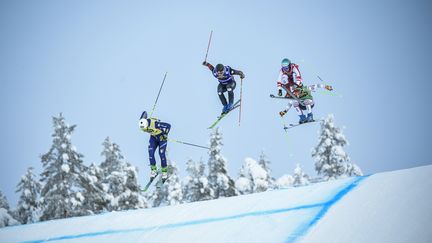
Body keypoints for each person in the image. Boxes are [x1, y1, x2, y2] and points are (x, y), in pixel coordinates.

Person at [139, 111, 171, 181]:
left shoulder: (156, 124)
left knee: (161, 154)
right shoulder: (142, 122)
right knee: (150, 153)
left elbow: (168, 125)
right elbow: (144, 113)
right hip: (153, 138)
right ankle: (153, 170)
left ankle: (164, 172)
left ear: (147, 124)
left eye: (145, 128)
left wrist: (165, 134)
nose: (144, 130)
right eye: (143, 129)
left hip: (162, 138)